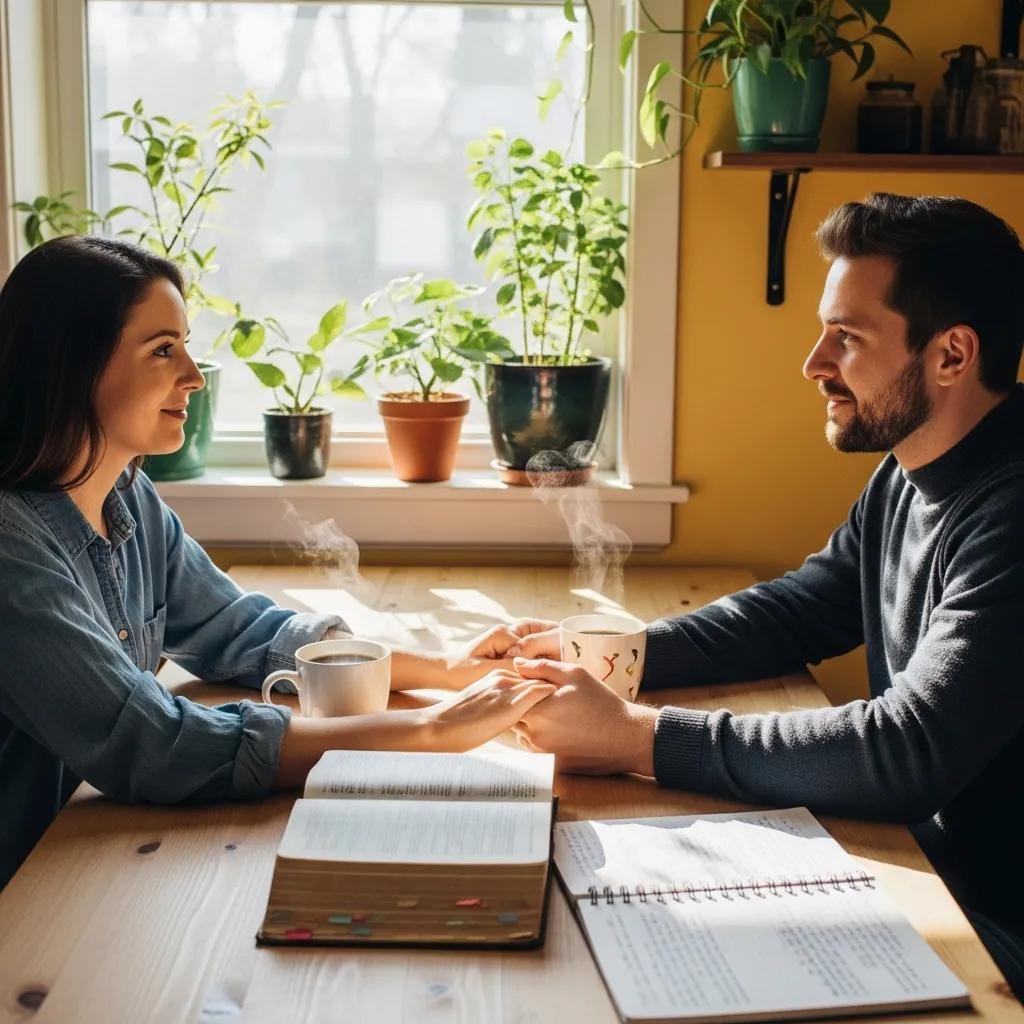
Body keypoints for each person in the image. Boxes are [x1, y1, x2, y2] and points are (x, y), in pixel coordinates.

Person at [503, 194, 1024, 996]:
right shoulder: (911, 473)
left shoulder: (1012, 508)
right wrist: (625, 656)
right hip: (924, 871)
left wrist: (634, 738)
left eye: (846, 338)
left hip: (996, 926)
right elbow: (802, 607)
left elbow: (906, 751)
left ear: (952, 355)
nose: (814, 363)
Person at [0, 235, 555, 891]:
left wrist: (448, 668)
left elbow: (240, 629)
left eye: (184, 344)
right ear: (74, 366)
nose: (194, 377)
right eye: (162, 350)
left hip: (71, 869)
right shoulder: (13, 551)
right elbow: (154, 745)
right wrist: (430, 730)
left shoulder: (126, 497)